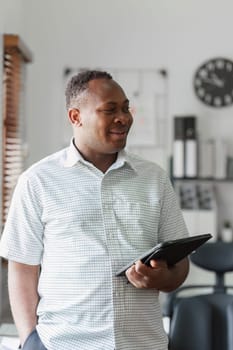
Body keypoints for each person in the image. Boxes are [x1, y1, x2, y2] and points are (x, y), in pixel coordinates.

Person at [0, 70, 189, 350]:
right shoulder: (37, 181)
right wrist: (29, 339)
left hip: (143, 343)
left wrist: (164, 278)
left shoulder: (155, 178)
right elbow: (22, 266)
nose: (123, 117)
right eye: (109, 109)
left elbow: (180, 264)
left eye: (125, 107)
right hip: (63, 344)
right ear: (75, 117)